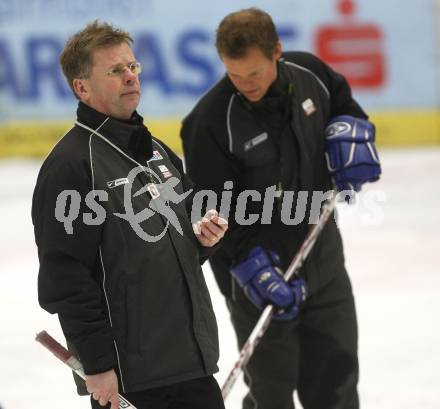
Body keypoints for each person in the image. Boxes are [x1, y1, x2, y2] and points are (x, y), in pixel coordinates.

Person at [181, 8, 380, 409]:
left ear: (277, 51)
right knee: (271, 396)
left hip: (321, 259)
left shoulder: (311, 75)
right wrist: (250, 263)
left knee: (337, 387)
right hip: (257, 274)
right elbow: (213, 214)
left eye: (254, 74)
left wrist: (351, 135)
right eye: (235, 76)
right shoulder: (209, 123)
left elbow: (346, 108)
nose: (245, 85)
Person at [32, 21, 228, 409]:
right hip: (131, 376)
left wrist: (202, 237)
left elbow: (184, 237)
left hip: (193, 364)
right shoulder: (71, 166)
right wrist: (98, 363)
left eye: (132, 67)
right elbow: (66, 278)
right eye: (114, 71)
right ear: (82, 87)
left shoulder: (155, 150)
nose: (129, 77)